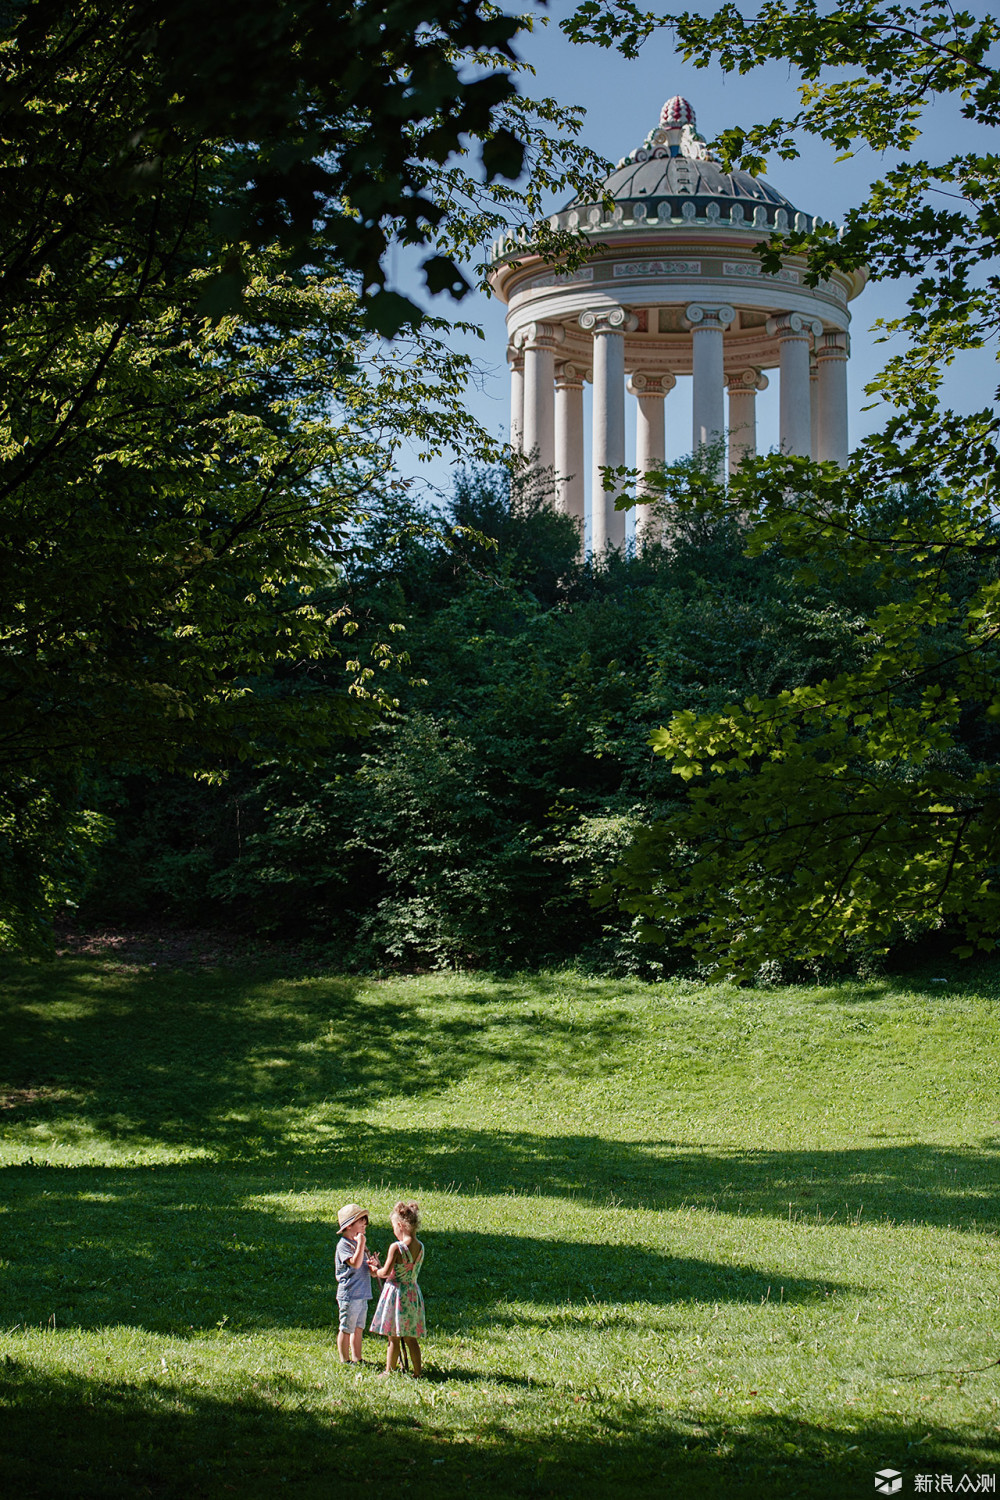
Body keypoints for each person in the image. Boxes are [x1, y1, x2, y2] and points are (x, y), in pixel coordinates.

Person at [370, 1200, 425, 1377]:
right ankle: (418, 1372)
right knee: (411, 1338)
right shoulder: (421, 1246)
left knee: (393, 1336)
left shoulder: (397, 1247)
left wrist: (375, 1271)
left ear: (400, 1225)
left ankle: (389, 1370)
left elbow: (386, 1272)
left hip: (396, 1294)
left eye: (394, 1226)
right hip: (412, 1293)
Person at [335, 1203, 379, 1364]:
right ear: (349, 1226)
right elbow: (354, 1263)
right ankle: (344, 1360)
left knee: (358, 1328)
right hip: (349, 1293)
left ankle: (357, 1357)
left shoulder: (359, 1245)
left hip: (362, 1293)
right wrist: (361, 1245)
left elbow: (364, 1264)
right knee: (347, 1327)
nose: (364, 1225)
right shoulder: (344, 1245)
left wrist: (373, 1263)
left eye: (365, 1222)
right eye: (360, 1221)